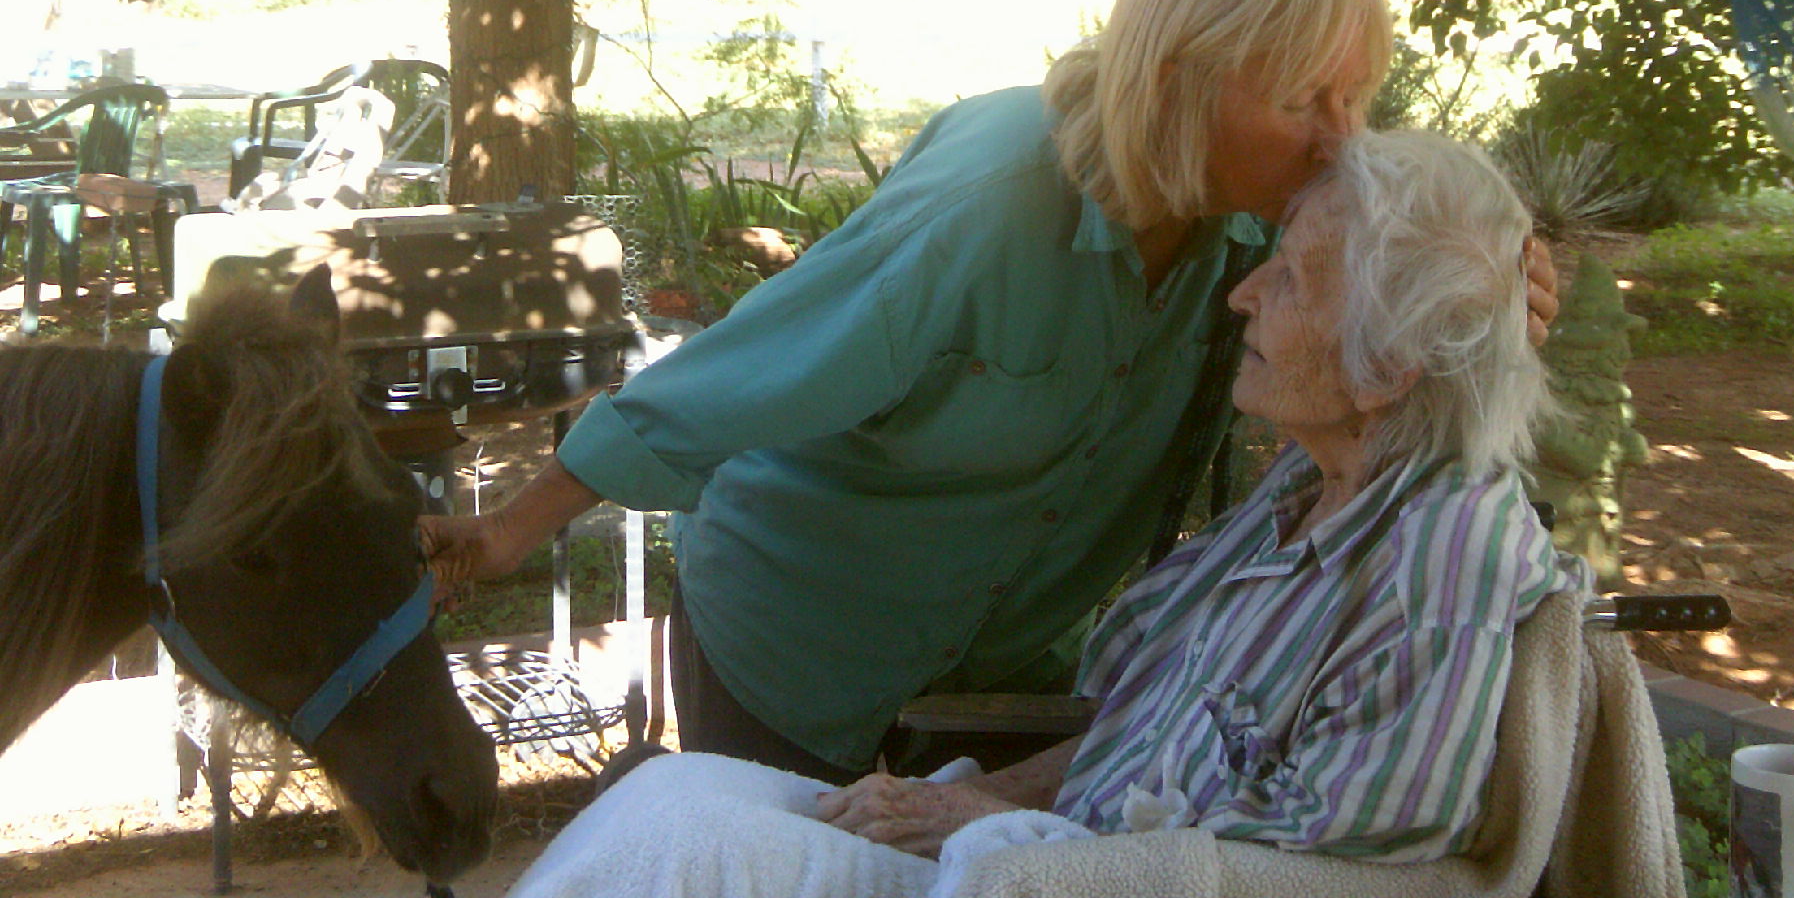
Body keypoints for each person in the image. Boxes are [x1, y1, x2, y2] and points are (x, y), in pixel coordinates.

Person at [422, 0, 1558, 781]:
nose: (1340, 141)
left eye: (1356, 100)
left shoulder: (1260, 227)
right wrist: (509, 528)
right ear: (1181, 80)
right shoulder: (992, 198)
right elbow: (744, 372)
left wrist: (1484, 295)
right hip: (796, 652)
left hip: (1009, 671)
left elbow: (1388, 334)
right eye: (1308, 100)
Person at [501, 128, 1586, 898]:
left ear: (1389, 365)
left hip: (1054, 878)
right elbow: (1150, 726)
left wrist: (1017, 837)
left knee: (677, 858)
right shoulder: (1307, 496)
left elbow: (1344, 867)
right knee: (666, 804)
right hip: (1025, 848)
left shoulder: (1443, 556)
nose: (1243, 292)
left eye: (1292, 279)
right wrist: (968, 804)